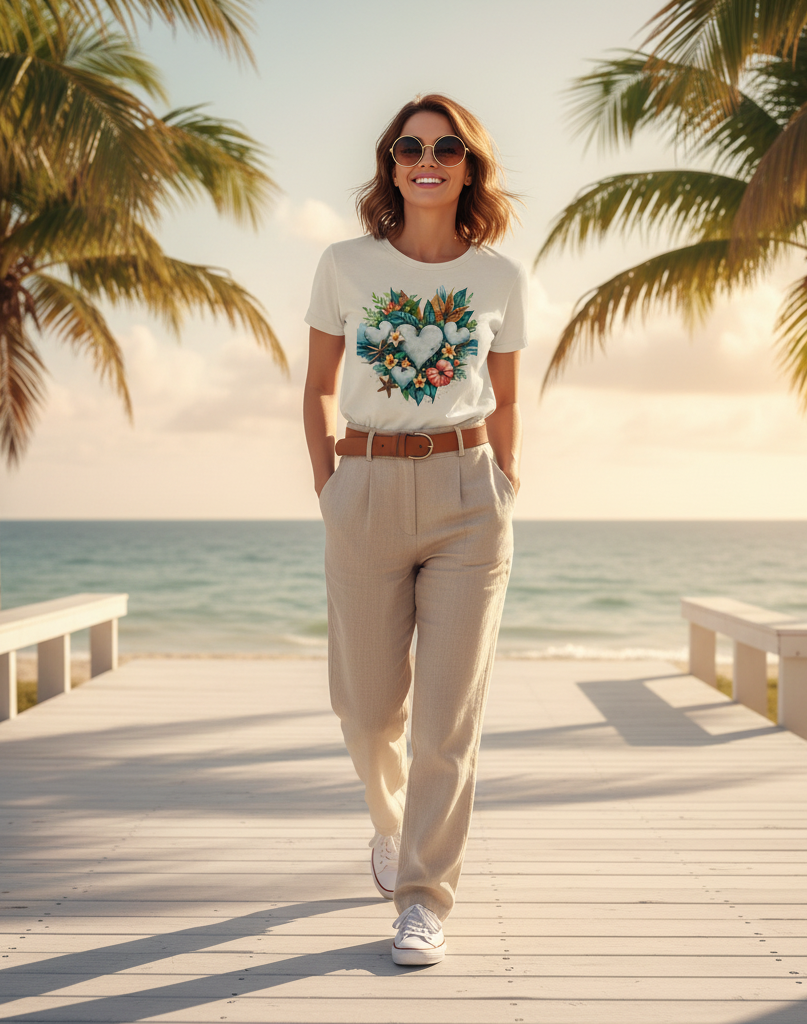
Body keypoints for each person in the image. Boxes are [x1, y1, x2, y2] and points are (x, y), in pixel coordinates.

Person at [303, 93, 526, 966]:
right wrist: (329, 485)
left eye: (445, 148)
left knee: (447, 719)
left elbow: (507, 397)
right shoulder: (343, 264)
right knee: (365, 710)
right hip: (364, 485)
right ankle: (391, 826)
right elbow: (320, 387)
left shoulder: (500, 279)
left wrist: (505, 481)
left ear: (470, 167)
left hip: (468, 495)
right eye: (409, 148)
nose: (426, 161)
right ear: (390, 165)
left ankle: (424, 900)